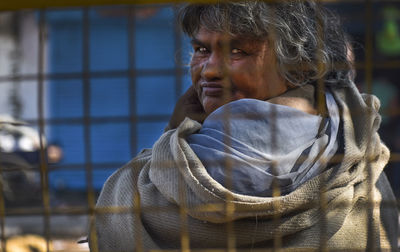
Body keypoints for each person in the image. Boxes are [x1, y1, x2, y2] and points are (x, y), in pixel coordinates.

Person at [90, 1, 398, 251]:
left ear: (297, 66)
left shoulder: (147, 184)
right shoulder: (359, 157)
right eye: (201, 50)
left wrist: (171, 136)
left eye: (238, 52)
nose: (209, 70)